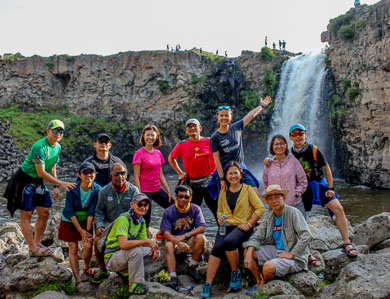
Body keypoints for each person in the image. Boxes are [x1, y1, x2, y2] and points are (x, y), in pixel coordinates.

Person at [4, 120, 76, 257]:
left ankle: (37, 243)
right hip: (24, 179)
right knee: (27, 214)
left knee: (44, 212)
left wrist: (55, 186)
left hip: (37, 180)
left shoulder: (58, 147)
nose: (58, 134)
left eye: (61, 131)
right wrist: (61, 183)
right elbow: (41, 172)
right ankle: (32, 248)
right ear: (48, 131)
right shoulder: (39, 147)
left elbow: (53, 166)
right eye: (55, 130)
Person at [288, 124, 358, 257]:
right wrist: (268, 161)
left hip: (318, 184)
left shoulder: (314, 150)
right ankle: (301, 249)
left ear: (305, 134)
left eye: (301, 133)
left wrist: (331, 188)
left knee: (338, 208)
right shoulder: (289, 154)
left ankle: (346, 241)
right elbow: (279, 164)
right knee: (296, 215)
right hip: (301, 187)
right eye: (294, 134)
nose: (298, 137)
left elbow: (327, 169)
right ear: (291, 137)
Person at [200, 162, 266, 299]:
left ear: (241, 175)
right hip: (226, 226)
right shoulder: (223, 191)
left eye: (236, 173)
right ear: (226, 176)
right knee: (217, 248)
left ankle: (235, 273)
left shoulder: (248, 189)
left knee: (229, 242)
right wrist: (219, 219)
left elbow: (261, 208)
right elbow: (219, 210)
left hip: (242, 226)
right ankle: (208, 284)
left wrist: (250, 223)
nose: (233, 176)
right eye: (230, 173)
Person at [242, 185, 312, 296]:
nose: (274, 201)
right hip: (277, 251)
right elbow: (257, 236)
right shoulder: (269, 216)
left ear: (284, 198)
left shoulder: (293, 213)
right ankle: (259, 281)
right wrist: (249, 253)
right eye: (270, 198)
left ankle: (265, 284)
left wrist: (292, 253)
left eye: (277, 197)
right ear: (267, 201)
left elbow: (307, 235)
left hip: (294, 256)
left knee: (267, 267)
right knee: (247, 251)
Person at [208, 96, 272, 199]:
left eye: (226, 115)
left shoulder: (236, 127)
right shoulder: (215, 137)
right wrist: (222, 179)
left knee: (255, 195)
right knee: (228, 200)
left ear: (231, 117)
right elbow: (216, 160)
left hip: (240, 167)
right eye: (221, 116)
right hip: (225, 170)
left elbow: (251, 115)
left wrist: (262, 105)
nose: (224, 118)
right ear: (218, 117)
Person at [92, 162, 140, 284]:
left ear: (126, 174)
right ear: (111, 175)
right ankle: (103, 270)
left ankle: (125, 269)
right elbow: (99, 212)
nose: (120, 176)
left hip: (127, 226)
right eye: (116, 174)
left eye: (122, 173)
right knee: (97, 240)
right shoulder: (104, 191)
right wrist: (100, 225)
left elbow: (138, 211)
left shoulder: (134, 191)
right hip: (109, 225)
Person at [104, 193, 159, 295]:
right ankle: (134, 284)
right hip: (111, 257)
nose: (142, 207)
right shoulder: (123, 219)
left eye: (145, 205)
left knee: (151, 252)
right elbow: (123, 244)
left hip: (124, 256)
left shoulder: (141, 221)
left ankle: (126, 272)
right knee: (136, 250)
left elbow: (143, 244)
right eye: (139, 204)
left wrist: (154, 247)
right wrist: (146, 241)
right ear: (132, 205)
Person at [58, 162, 101, 284]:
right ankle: (77, 278)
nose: (88, 175)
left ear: (95, 174)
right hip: (70, 220)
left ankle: (86, 267)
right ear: (80, 175)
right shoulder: (72, 188)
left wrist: (86, 232)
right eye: (85, 172)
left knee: (88, 245)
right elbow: (69, 210)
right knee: (73, 247)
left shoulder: (97, 190)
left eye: (91, 172)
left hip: (86, 219)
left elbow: (92, 212)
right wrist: (80, 231)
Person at [168, 118, 217, 219]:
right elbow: (171, 158)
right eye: (189, 127)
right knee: (191, 212)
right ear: (186, 130)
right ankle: (191, 233)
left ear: (200, 128)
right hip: (192, 184)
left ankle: (224, 232)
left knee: (216, 209)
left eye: (195, 126)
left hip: (209, 182)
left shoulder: (210, 141)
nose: (192, 128)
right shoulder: (182, 144)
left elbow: (220, 156)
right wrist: (180, 173)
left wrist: (220, 174)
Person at [161, 185, 206, 290]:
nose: (183, 199)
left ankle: (192, 266)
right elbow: (166, 233)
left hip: (187, 239)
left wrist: (184, 236)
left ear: (190, 198)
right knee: (168, 245)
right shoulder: (168, 211)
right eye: (180, 196)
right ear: (176, 197)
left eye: (186, 197)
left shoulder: (195, 209)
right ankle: (173, 277)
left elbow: (201, 228)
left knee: (201, 238)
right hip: (174, 240)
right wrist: (178, 242)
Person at [132, 124, 173, 228]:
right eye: (148, 135)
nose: (150, 138)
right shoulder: (139, 153)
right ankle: (145, 234)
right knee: (146, 215)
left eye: (152, 135)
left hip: (156, 189)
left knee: (172, 205)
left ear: (156, 137)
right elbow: (136, 176)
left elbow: (161, 175)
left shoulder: (158, 153)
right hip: (145, 190)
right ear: (143, 136)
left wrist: (168, 191)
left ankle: (166, 229)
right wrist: (139, 194)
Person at [263, 134, 307, 217]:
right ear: (272, 146)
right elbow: (265, 183)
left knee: (300, 229)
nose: (279, 146)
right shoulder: (269, 165)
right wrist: (268, 197)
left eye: (282, 143)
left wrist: (295, 194)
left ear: (286, 146)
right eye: (276, 144)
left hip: (294, 204)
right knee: (275, 229)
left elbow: (303, 181)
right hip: (274, 205)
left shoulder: (294, 162)